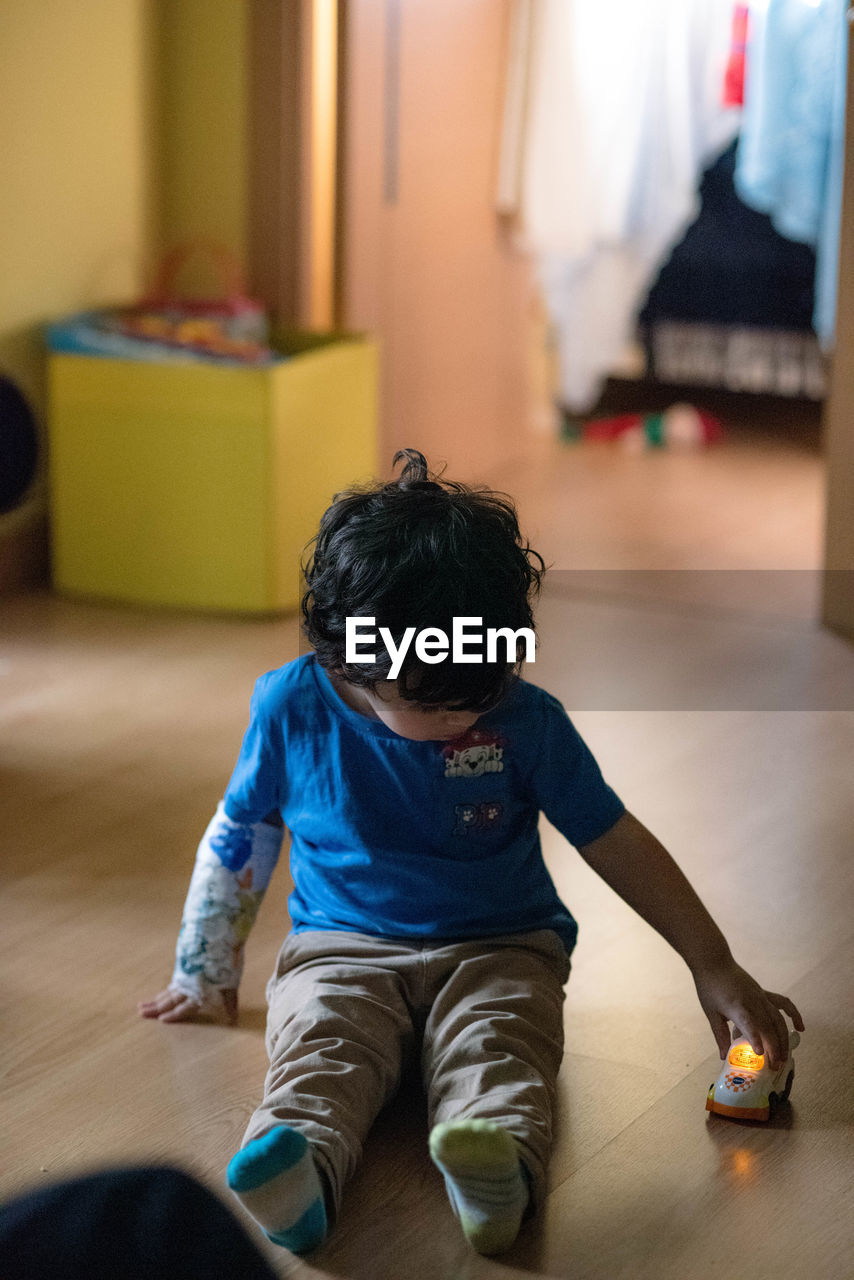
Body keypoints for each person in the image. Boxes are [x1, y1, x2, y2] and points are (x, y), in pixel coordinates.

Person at [139, 449, 804, 1257]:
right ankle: (300, 1172)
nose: (472, 715)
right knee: (320, 1043)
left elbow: (614, 837)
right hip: (340, 947)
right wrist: (205, 970)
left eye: (487, 686)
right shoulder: (291, 705)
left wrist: (713, 963)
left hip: (501, 945)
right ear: (351, 658)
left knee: (500, 1047)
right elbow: (244, 827)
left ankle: (497, 1172)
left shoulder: (525, 718)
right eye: (445, 703)